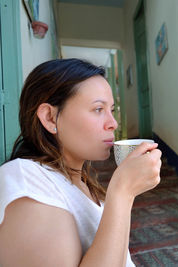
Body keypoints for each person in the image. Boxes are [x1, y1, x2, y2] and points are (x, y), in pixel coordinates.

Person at [0, 58, 161, 266]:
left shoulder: (81, 180)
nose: (113, 123)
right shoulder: (26, 182)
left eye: (111, 110)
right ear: (50, 117)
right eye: (97, 109)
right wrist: (122, 192)